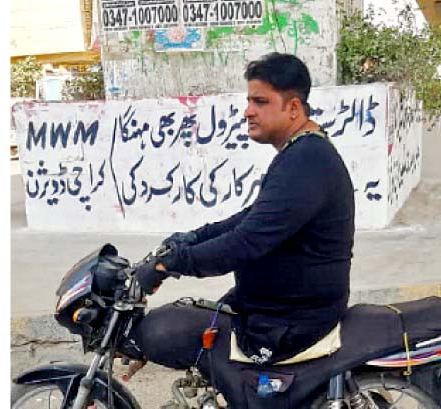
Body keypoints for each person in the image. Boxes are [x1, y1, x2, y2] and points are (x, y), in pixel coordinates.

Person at [135, 52, 355, 365]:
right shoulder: (301, 153)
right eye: (249, 101)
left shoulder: (307, 160)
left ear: (293, 108)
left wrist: (171, 264)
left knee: (171, 332)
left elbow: (246, 242)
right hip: (276, 310)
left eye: (260, 102)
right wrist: (188, 239)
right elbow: (251, 218)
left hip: (290, 323)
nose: (248, 112)